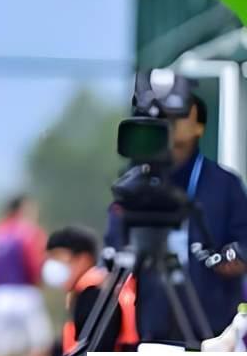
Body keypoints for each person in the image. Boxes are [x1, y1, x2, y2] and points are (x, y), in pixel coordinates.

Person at [105, 94, 247, 341]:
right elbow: (115, 241)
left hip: (211, 319)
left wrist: (233, 258)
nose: (169, 121)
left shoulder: (224, 184)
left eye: (179, 114)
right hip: (151, 317)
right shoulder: (137, 181)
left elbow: (243, 242)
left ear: (199, 127)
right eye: (162, 116)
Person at [0, 194, 52, 356]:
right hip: (25, 294)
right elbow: (35, 266)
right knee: (39, 346)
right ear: (22, 209)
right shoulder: (30, 232)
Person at [43, 226, 138, 356]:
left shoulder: (93, 294)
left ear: (83, 259)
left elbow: (101, 351)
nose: (52, 265)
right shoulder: (99, 287)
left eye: (58, 257)